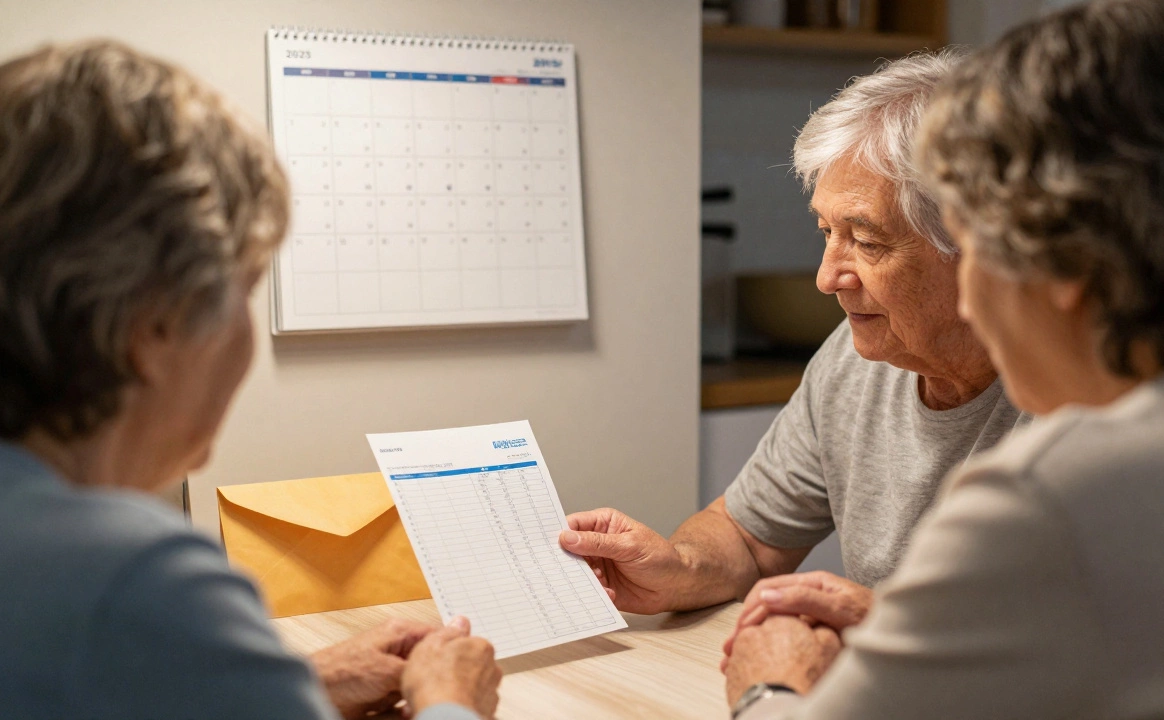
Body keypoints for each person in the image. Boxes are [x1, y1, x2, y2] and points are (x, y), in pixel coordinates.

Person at [721, 0, 1164, 717]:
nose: (974, 295)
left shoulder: (1059, 494)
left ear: (1066, 263)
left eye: (978, 240)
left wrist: (769, 684)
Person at [0, 40, 500, 720]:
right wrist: (450, 701)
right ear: (151, 326)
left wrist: (277, 684)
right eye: (248, 288)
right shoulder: (132, 577)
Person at [559, 48, 1029, 634]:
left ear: (977, 248)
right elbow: (749, 539)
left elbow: (1112, 643)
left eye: (867, 241)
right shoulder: (855, 361)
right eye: (827, 232)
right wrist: (677, 567)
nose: (827, 276)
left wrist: (873, 620)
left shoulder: (1085, 392)